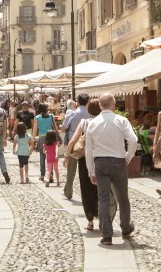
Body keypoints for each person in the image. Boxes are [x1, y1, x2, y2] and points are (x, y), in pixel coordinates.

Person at [85, 92, 137, 246]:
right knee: (122, 197)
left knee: (103, 198)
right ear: (114, 105)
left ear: (100, 105)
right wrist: (128, 156)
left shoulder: (92, 123)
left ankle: (106, 234)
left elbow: (88, 149)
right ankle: (125, 228)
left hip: (100, 162)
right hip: (118, 161)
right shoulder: (122, 120)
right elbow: (133, 140)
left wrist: (91, 170)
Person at [65, 98, 117, 232]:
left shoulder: (84, 123)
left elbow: (73, 140)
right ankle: (101, 216)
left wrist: (66, 156)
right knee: (101, 189)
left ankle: (90, 221)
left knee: (86, 189)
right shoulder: (104, 122)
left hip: (85, 161)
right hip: (101, 158)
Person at [61, 94, 90, 200]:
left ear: (77, 102)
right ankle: (87, 194)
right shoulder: (91, 114)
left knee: (71, 170)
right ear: (88, 102)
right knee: (87, 170)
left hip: (74, 144)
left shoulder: (73, 113)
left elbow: (64, 128)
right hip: (87, 144)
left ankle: (68, 191)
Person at [32, 104, 59, 182]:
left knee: (42, 156)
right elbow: (55, 127)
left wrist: (33, 140)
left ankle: (42, 175)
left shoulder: (37, 118)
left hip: (42, 137)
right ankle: (51, 174)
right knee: (52, 155)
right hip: (50, 137)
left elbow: (34, 130)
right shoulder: (51, 116)